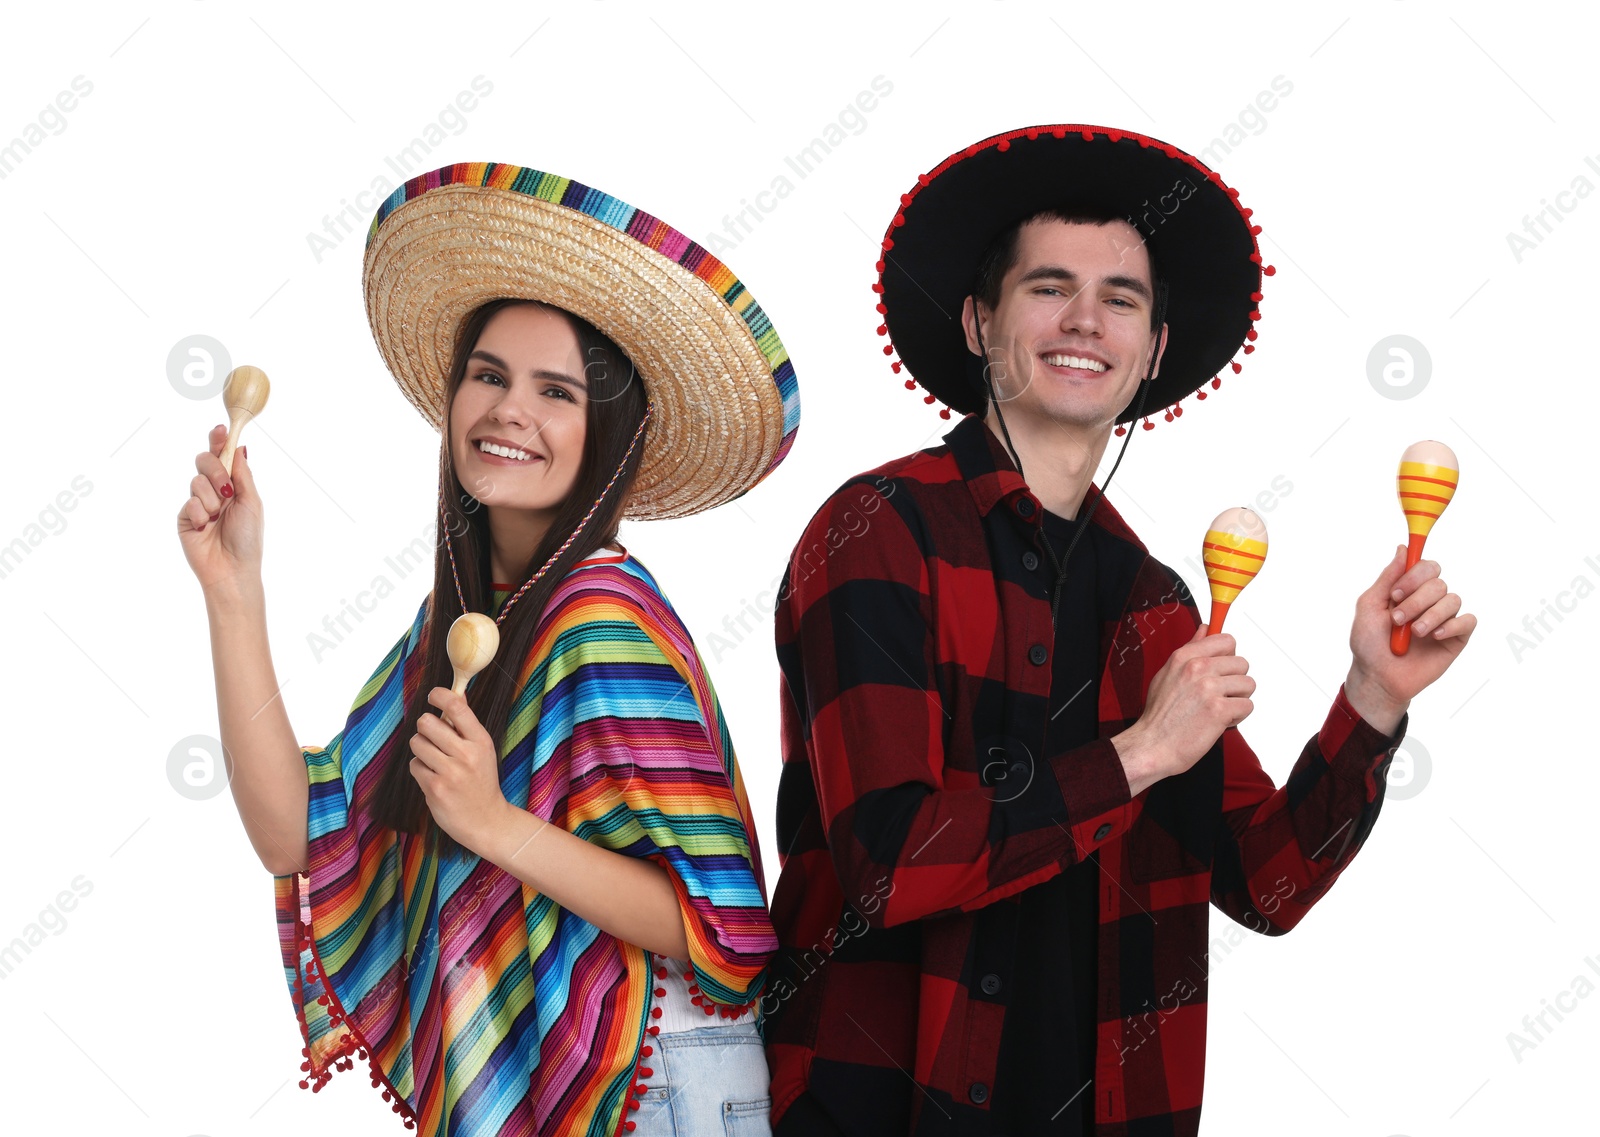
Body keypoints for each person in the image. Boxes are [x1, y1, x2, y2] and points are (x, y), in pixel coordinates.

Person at [761, 125, 1475, 1135]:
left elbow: (1265, 882)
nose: (1085, 319)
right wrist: (1138, 753)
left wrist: (1372, 699)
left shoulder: (1153, 603)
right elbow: (888, 866)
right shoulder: (877, 530)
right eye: (1048, 287)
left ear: (1152, 354)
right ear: (977, 322)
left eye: (1121, 299)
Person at [178, 161, 800, 1137]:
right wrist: (233, 591)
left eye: (556, 391)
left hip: (650, 1085)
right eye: (489, 374)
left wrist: (493, 824)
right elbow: (293, 834)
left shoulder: (602, 617)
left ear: (607, 433)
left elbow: (715, 928)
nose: (509, 409)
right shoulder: (466, 619)